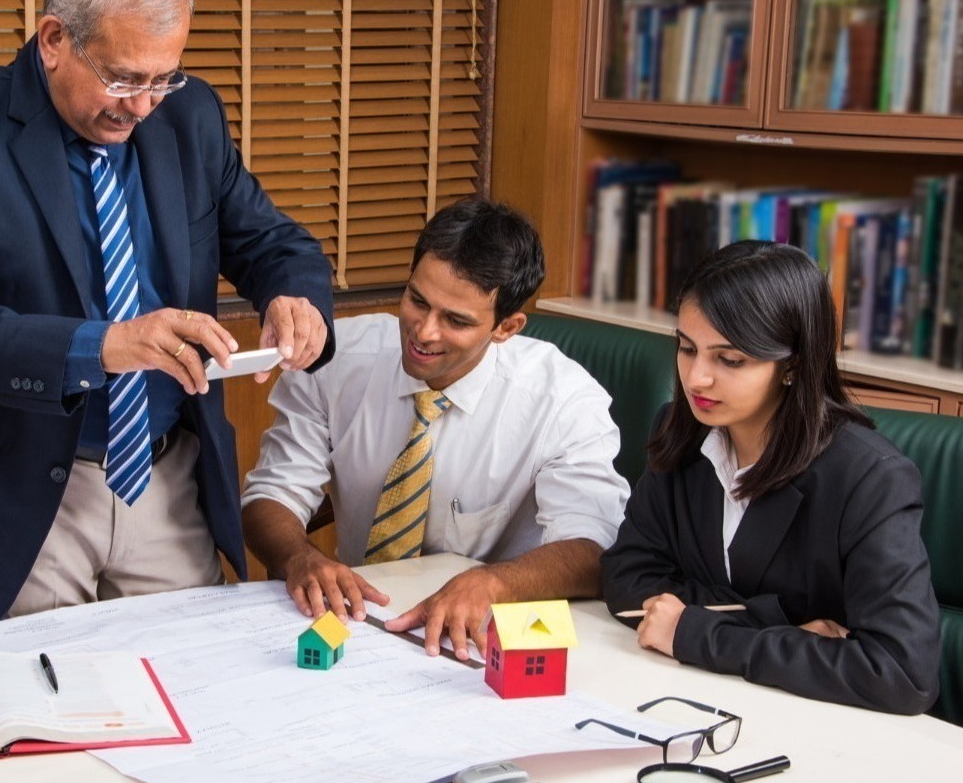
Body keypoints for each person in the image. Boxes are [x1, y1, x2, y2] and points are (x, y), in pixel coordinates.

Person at [0, 0, 336, 626]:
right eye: (122, 78)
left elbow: (271, 242)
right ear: (54, 39)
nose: (142, 105)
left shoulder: (190, 114)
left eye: (162, 78)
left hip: (164, 473)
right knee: (51, 688)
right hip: (24, 491)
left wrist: (295, 297)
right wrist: (102, 346)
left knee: (192, 672)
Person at [242, 198, 628, 661]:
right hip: (361, 623)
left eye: (456, 320)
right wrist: (298, 556)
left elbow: (593, 547)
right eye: (417, 301)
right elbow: (272, 494)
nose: (424, 332)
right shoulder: (335, 359)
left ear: (507, 328)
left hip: (483, 639)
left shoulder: (562, 399)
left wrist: (494, 583)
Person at [600, 240, 940, 714]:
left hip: (819, 723)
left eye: (730, 360)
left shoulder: (870, 479)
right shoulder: (678, 430)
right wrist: (779, 627)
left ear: (792, 366)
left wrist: (699, 633)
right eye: (687, 348)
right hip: (694, 698)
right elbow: (626, 580)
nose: (696, 378)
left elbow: (903, 674)